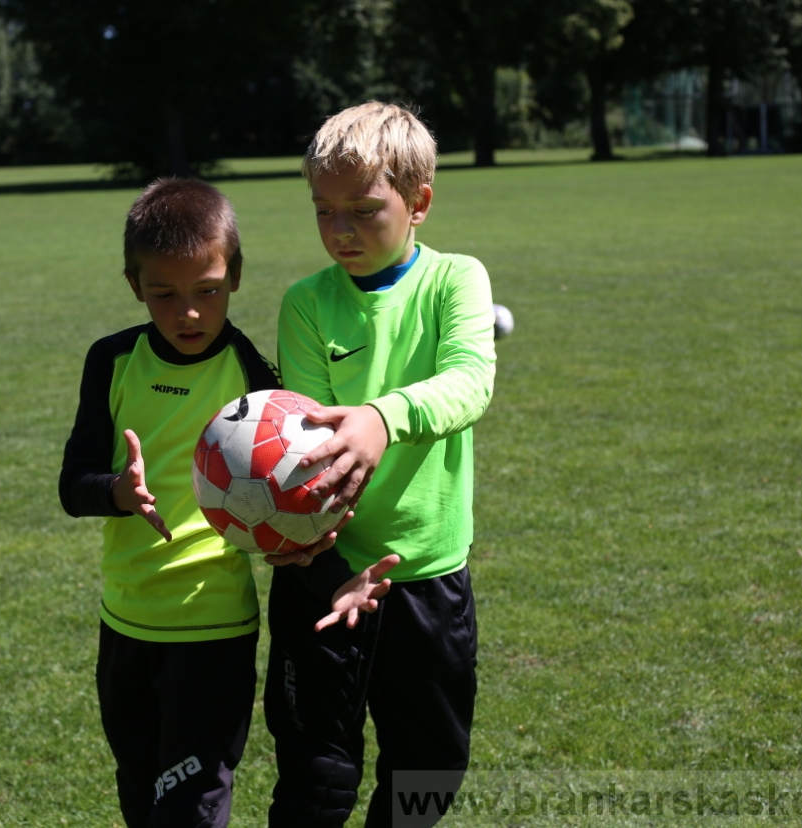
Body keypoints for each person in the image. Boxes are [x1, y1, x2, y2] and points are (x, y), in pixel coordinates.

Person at [59, 177, 394, 828]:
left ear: (235, 276)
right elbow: (73, 485)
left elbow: (291, 498)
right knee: (143, 798)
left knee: (192, 807)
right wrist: (118, 493)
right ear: (135, 286)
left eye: (207, 291)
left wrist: (332, 571)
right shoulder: (111, 361)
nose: (188, 312)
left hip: (213, 633)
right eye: (165, 294)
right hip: (125, 626)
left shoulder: (253, 380)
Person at [263, 101, 498, 827]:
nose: (340, 232)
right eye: (323, 211)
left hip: (425, 578)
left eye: (364, 211)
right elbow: (296, 446)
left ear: (419, 202)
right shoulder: (306, 303)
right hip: (325, 579)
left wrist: (380, 416)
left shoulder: (456, 281)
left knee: (427, 777)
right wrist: (323, 565)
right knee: (317, 782)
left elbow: (469, 382)